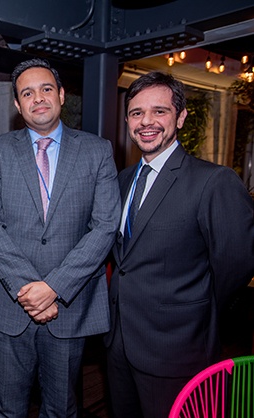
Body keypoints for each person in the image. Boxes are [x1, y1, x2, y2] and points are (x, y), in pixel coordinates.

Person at [0, 58, 120, 417]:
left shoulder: (97, 150)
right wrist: (30, 290)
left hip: (70, 303)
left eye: (46, 89)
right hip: (7, 303)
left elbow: (105, 226)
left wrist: (54, 287)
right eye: (27, 93)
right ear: (17, 104)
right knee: (8, 408)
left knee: (61, 408)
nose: (38, 98)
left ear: (62, 95)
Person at [105, 71, 254, 418]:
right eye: (137, 112)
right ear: (127, 121)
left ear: (181, 117)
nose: (146, 121)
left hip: (176, 348)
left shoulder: (213, 181)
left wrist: (196, 309)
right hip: (119, 345)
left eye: (159, 111)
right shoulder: (122, 180)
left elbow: (237, 262)